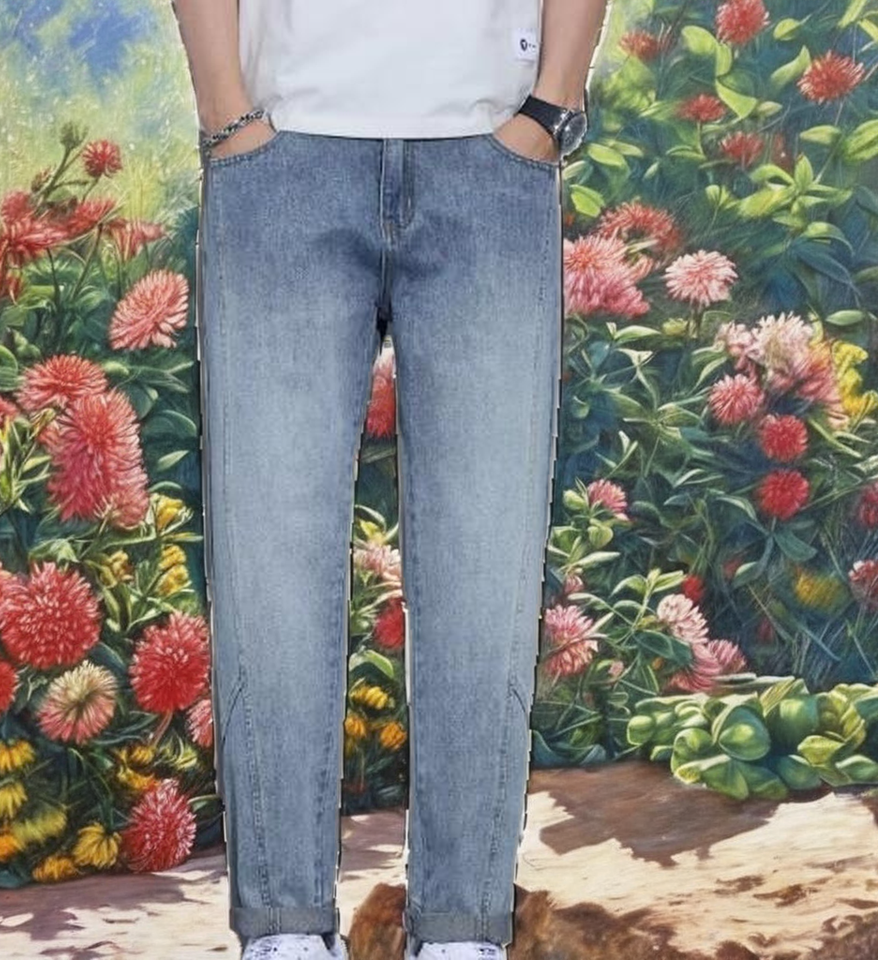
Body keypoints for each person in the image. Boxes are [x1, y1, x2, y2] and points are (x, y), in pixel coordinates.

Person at [171, 1, 610, 958]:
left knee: (485, 560)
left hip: (489, 157)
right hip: (283, 153)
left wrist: (551, 106)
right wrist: (226, 112)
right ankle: (284, 927)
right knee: (269, 560)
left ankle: (462, 927)